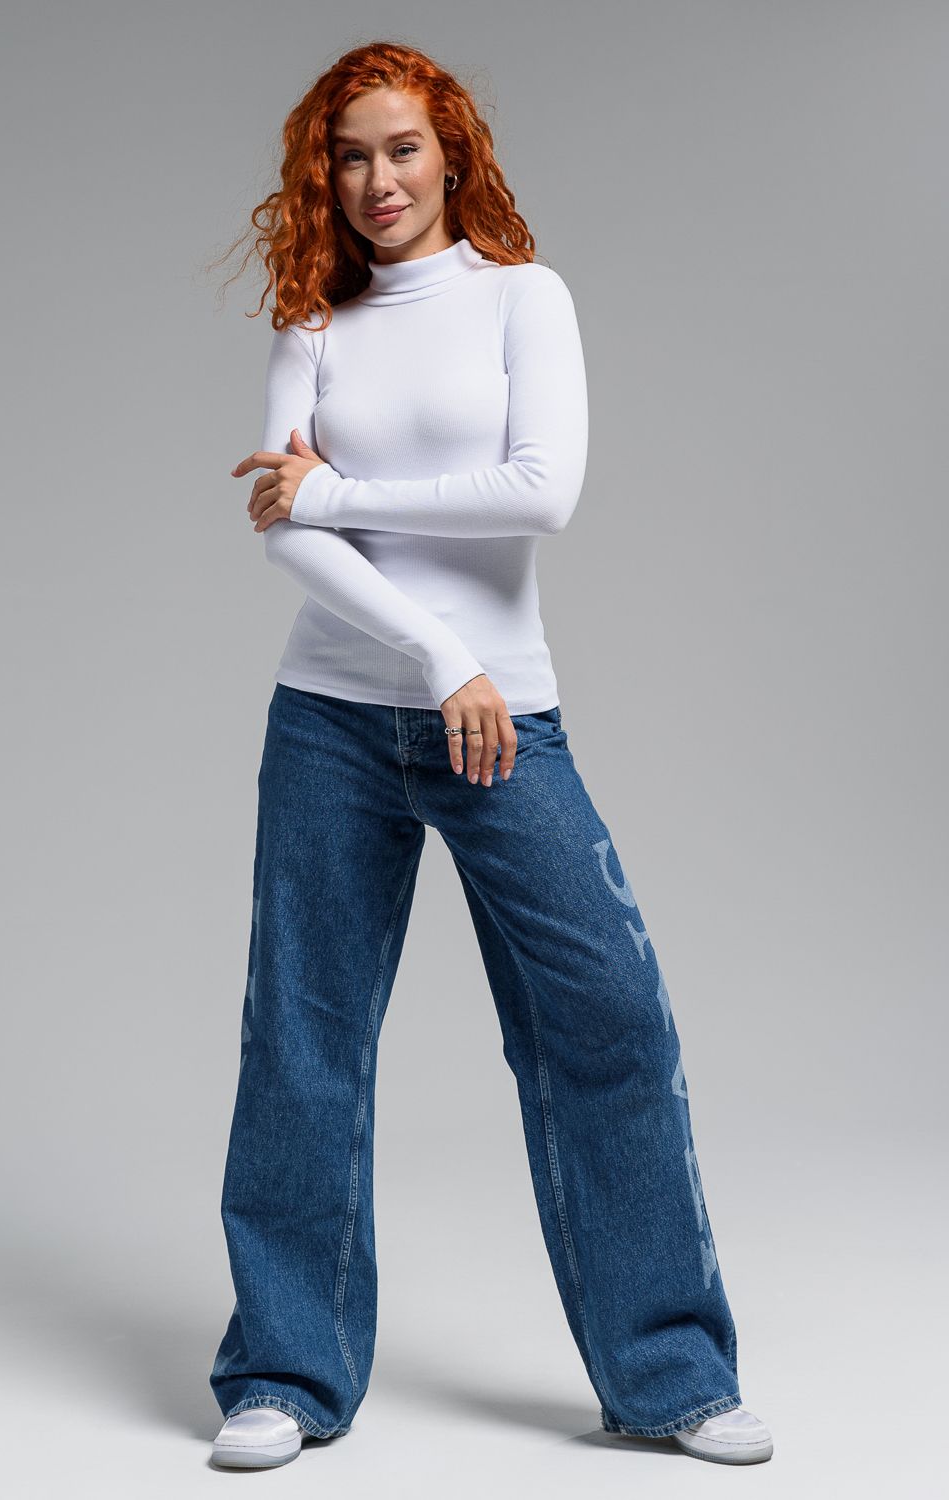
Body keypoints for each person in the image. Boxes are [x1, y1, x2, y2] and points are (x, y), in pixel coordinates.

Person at [208, 39, 773, 1472]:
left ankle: (668, 1374)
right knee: (303, 1041)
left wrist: (341, 491)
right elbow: (285, 532)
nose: (377, 180)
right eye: (349, 156)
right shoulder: (313, 320)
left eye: (401, 148)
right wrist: (433, 657)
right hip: (335, 717)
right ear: (324, 175)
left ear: (450, 151)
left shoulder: (526, 298)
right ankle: (284, 1370)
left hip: (507, 723)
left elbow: (540, 493)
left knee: (609, 1024)